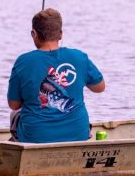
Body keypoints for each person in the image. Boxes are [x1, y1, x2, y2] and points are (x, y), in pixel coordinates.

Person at [7, 8, 105, 143]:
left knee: (15, 114)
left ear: (34, 33)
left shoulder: (23, 61)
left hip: (36, 138)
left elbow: (14, 104)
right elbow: (99, 87)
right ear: (60, 35)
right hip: (78, 134)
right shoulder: (79, 57)